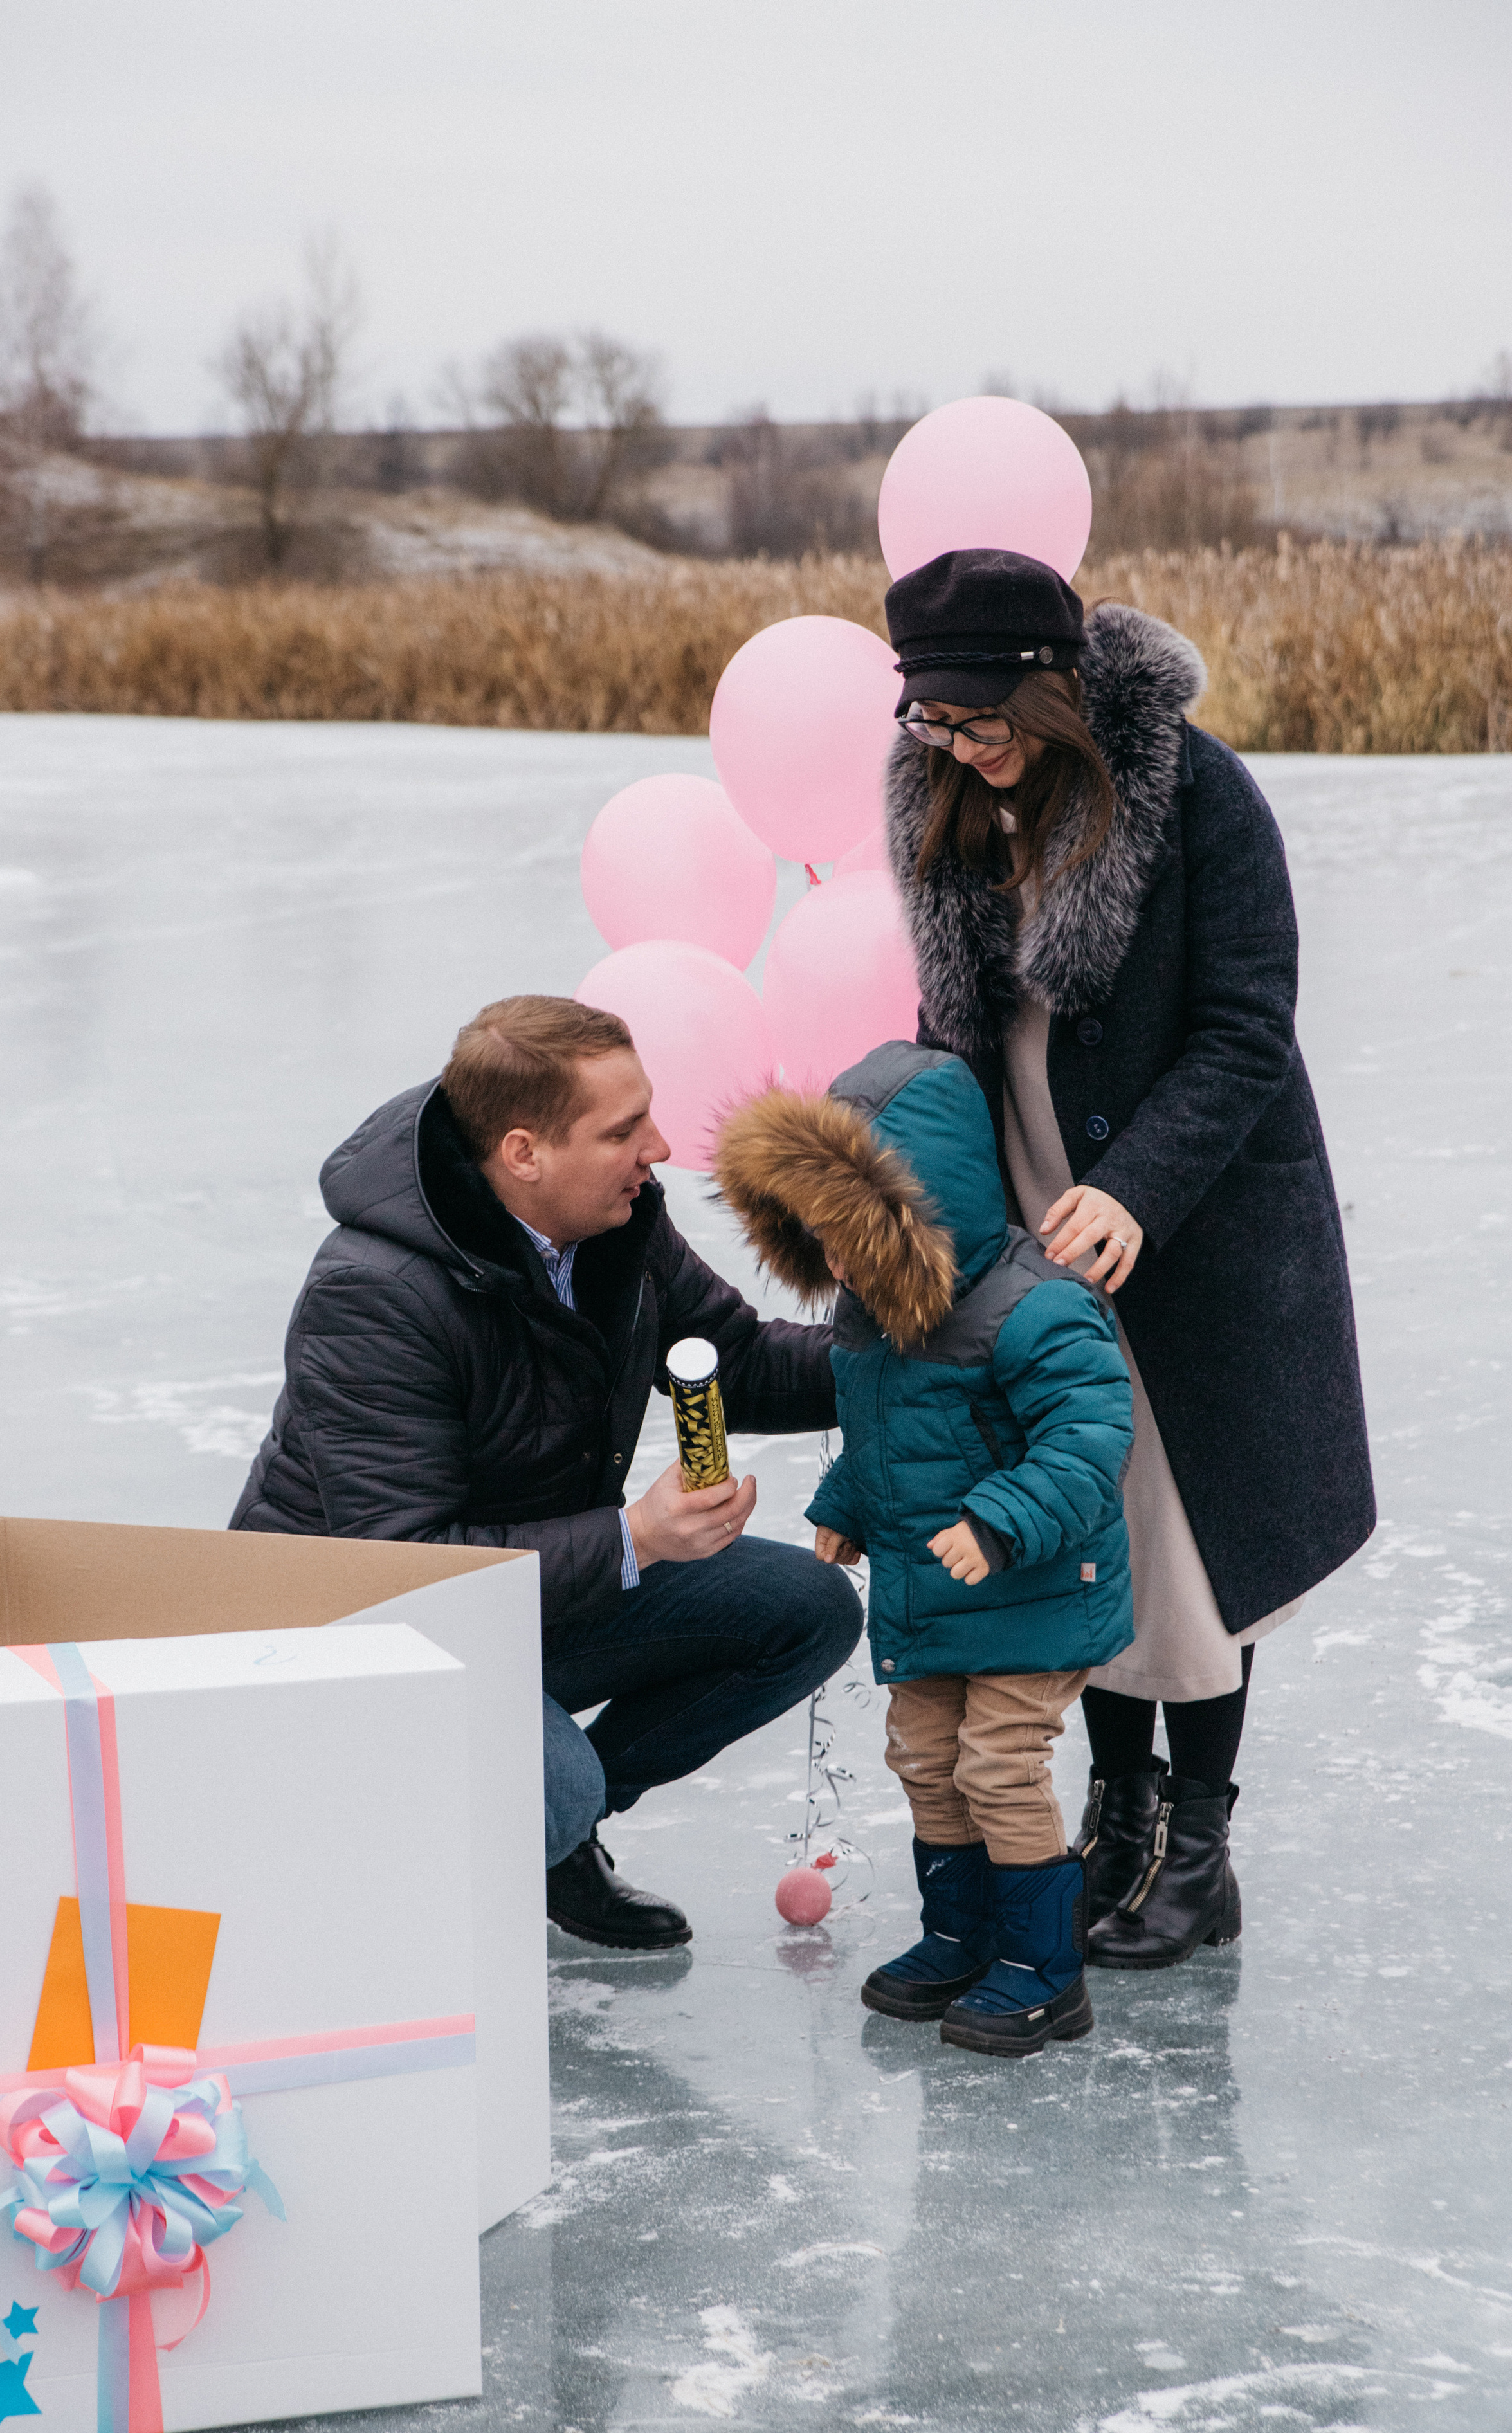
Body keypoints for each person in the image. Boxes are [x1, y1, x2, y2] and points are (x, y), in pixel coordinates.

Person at [879, 547, 1376, 1969]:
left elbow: (1243, 1025)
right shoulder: (939, 793)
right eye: (932, 723)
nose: (960, 752)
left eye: (979, 724)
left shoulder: (1194, 789)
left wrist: (1134, 1190)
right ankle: (1115, 1812)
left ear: (1052, 694)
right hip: (1028, 1182)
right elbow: (950, 1019)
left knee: (1186, 1528)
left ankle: (1199, 1847)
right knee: (1078, 1501)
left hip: (1190, 1207)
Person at [231, 994, 862, 1950]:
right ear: (524, 1153)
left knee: (807, 1608)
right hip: (365, 1636)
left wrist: (916, 1357)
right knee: (552, 1791)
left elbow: (739, 1361)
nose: (658, 1146)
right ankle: (457, 1831)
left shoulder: (620, 1222)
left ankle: (545, 1830)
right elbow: (402, 1566)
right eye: (623, 1130)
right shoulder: (373, 1294)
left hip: (528, 1595)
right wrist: (634, 1539)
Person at [715, 1040, 1134, 2056]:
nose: (842, 1264)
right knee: (924, 1760)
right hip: (933, 1593)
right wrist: (845, 1502)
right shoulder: (872, 1325)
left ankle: (1044, 1970)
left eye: (856, 1238)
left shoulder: (1035, 1308)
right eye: (826, 1241)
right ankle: (959, 1936)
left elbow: (1090, 1441)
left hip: (1034, 1592)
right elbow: (888, 1444)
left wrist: (999, 1521)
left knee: (996, 1767)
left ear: (923, 1213)